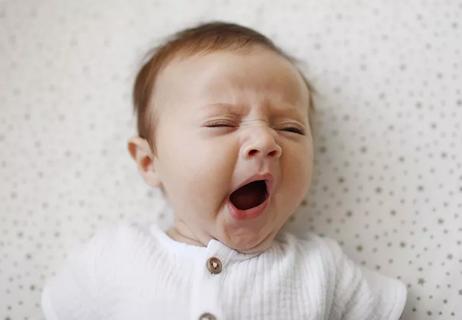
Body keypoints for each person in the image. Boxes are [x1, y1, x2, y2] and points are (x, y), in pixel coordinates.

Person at [41, 21, 407, 319]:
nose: (265, 141)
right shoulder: (112, 258)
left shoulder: (323, 272)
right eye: (220, 123)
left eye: (290, 128)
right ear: (150, 163)